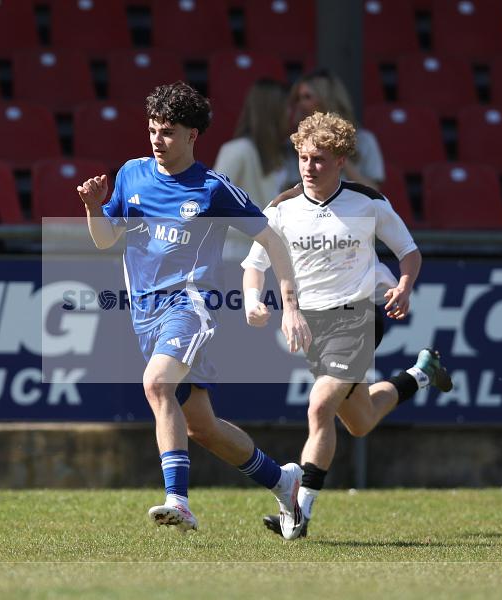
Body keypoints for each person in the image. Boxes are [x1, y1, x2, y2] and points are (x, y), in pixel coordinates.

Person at [76, 81, 313, 538]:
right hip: (144, 315)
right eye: (151, 130)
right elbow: (106, 238)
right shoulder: (131, 174)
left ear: (192, 136)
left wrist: (288, 303)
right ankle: (284, 481)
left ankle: (178, 502)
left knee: (156, 383)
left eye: (168, 131)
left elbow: (271, 239)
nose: (157, 140)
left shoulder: (212, 188)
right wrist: (92, 208)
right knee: (203, 427)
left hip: (192, 308)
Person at [241, 112, 453, 539]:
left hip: (359, 316)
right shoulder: (281, 209)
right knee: (360, 420)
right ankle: (421, 374)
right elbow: (254, 266)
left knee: (320, 406)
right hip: (312, 327)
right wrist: (252, 301)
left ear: (341, 160)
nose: (309, 167)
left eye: (319, 159)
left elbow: (408, 252)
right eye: (303, 157)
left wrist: (406, 285)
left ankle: (297, 512)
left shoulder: (367, 202)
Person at [286, 69, 385, 190]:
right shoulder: (292, 143)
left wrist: (337, 150)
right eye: (297, 98)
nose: (300, 104)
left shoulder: (365, 140)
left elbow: (374, 192)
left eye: (307, 97)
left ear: (327, 100)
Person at [213, 79, 289, 209]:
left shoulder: (282, 154)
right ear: (274, 112)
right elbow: (212, 206)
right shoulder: (238, 150)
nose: (291, 114)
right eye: (288, 107)